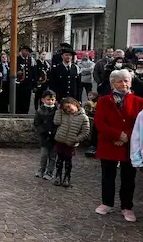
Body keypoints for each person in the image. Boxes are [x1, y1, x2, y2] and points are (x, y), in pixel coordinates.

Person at [95, 69, 143, 222]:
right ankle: (107, 203)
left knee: (128, 178)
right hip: (109, 143)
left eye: (126, 81)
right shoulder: (103, 100)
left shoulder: (139, 101)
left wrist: (126, 137)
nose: (123, 84)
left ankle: (127, 207)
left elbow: (139, 123)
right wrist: (117, 135)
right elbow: (100, 123)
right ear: (112, 83)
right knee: (107, 176)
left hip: (129, 145)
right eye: (119, 81)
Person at [53, 97, 90, 187]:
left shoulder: (83, 117)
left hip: (71, 142)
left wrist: (76, 139)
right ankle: (58, 176)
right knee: (59, 160)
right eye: (66, 108)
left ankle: (67, 177)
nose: (68, 110)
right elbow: (56, 122)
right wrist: (59, 111)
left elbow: (85, 132)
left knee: (68, 161)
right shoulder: (63, 114)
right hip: (61, 140)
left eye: (69, 107)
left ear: (74, 103)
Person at [34, 89, 57, 180]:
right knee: (44, 155)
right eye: (48, 99)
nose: (50, 101)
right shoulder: (40, 110)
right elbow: (36, 123)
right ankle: (41, 170)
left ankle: (50, 172)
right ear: (43, 100)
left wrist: (54, 132)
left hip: (54, 137)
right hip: (44, 137)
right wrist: (43, 131)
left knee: (52, 156)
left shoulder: (57, 111)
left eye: (52, 100)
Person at [16, 46, 37, 114]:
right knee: (19, 100)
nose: (27, 52)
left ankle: (25, 113)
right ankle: (18, 113)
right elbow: (11, 70)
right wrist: (17, 73)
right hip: (19, 84)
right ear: (22, 51)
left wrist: (34, 85)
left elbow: (34, 72)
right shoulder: (17, 59)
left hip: (28, 84)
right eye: (25, 51)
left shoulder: (31, 60)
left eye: (28, 51)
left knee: (27, 100)